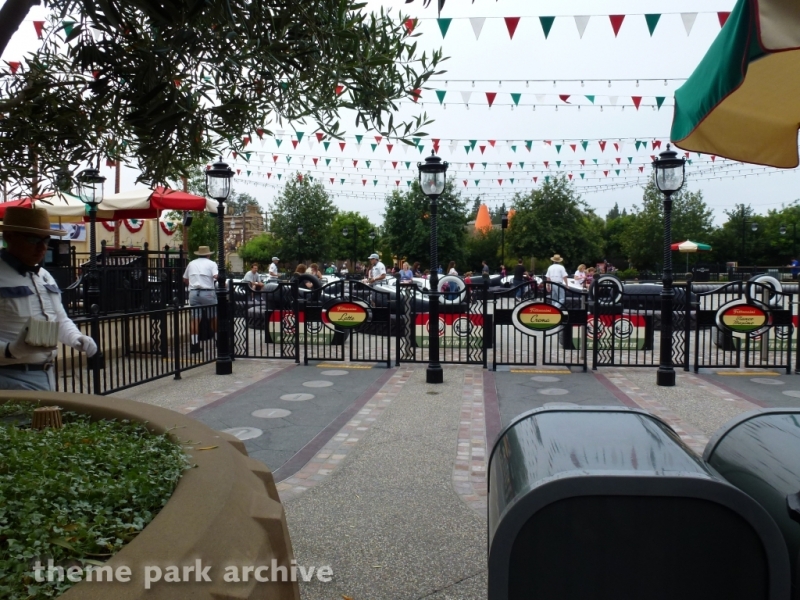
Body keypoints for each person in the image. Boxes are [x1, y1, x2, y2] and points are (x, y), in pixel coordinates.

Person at [0, 208, 98, 390]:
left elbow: (59, 319)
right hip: (8, 377)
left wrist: (76, 337)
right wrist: (10, 349)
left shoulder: (44, 275)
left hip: (47, 374)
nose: (42, 247)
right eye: (33, 240)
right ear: (9, 237)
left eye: (46, 240)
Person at [183, 245, 218, 354]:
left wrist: (193, 284)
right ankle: (218, 341)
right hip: (208, 292)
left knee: (195, 320)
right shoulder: (212, 264)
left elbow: (185, 279)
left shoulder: (191, 263)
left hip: (194, 293)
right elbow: (216, 276)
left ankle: (194, 345)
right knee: (213, 317)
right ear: (208, 255)